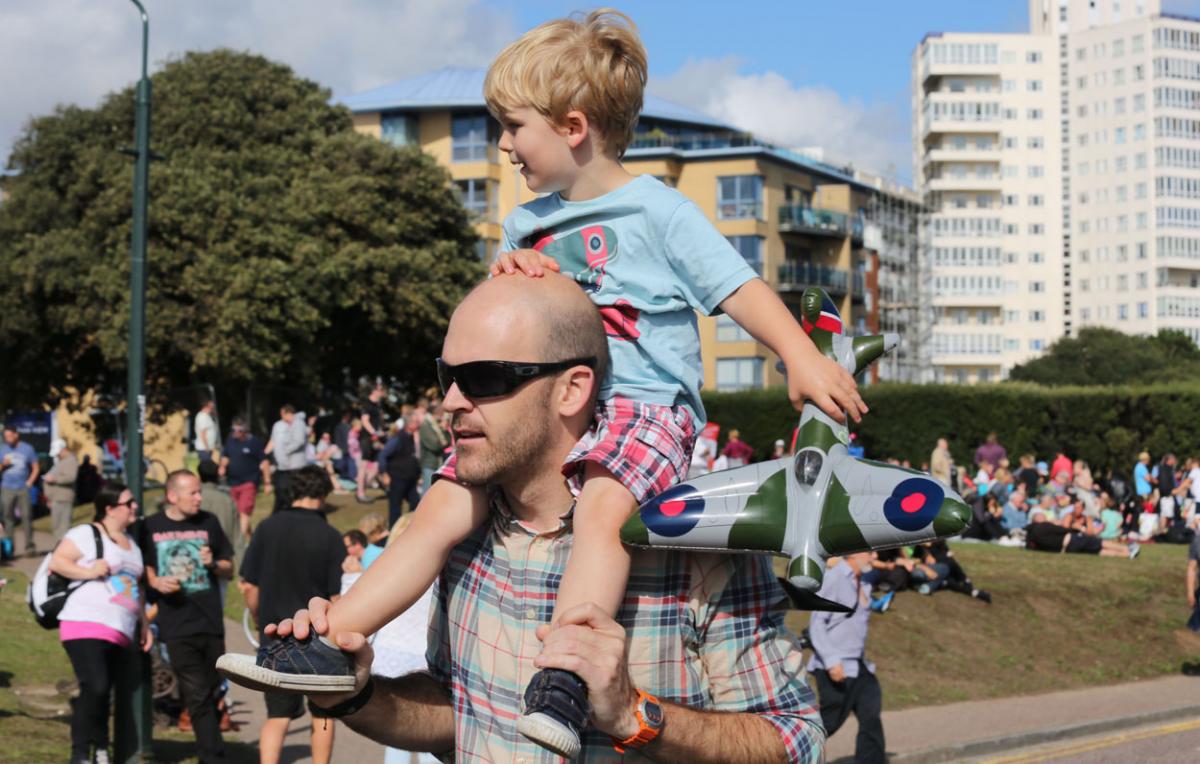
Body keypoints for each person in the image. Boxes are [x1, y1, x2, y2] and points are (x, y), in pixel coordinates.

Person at [232, 271, 826, 761]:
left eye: (484, 379)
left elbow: (795, 740)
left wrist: (633, 714)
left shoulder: (695, 545)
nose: (451, 402)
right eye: (447, 376)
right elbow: (458, 714)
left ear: (572, 390)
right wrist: (354, 697)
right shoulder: (459, 540)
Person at [240, 465, 346, 764]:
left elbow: (249, 587)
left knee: (277, 715)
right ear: (322, 494)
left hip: (275, 637)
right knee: (323, 715)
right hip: (318, 640)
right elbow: (337, 597)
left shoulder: (266, 527)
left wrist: (259, 619)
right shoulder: (330, 536)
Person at [51, 482, 152, 764]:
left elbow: (138, 588)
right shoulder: (87, 533)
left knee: (102, 692)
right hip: (85, 622)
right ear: (109, 509)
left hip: (121, 629)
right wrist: (88, 570)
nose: (134, 507)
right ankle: (80, 754)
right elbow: (58, 562)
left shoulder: (132, 545)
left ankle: (101, 748)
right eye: (128, 503)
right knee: (96, 686)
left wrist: (144, 624)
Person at [141, 470, 234, 763]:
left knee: (212, 690)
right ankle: (213, 757)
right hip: (176, 623)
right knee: (197, 696)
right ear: (172, 495)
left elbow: (229, 567)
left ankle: (211, 748)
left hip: (210, 622)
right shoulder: (150, 527)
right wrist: (155, 582)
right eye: (192, 493)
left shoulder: (209, 522)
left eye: (198, 492)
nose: (199, 498)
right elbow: (140, 565)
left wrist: (214, 563)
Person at [808, 553, 885, 764]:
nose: (875, 556)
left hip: (858, 665)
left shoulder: (863, 580)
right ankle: (790, 755)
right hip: (836, 665)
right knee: (829, 722)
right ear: (855, 553)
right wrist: (832, 661)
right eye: (870, 552)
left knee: (871, 716)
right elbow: (817, 624)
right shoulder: (835, 578)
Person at [219, 418, 270, 544]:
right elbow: (225, 456)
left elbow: (264, 462)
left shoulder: (254, 442)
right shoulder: (230, 440)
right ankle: (252, 539)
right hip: (233, 483)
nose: (236, 433)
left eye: (239, 430)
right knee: (237, 514)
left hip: (249, 482)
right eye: (234, 430)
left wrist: (267, 482)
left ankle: (238, 542)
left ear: (245, 431)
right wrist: (222, 466)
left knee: (244, 511)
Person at [198, 459, 241, 597]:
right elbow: (237, 538)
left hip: (197, 562)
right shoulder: (227, 501)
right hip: (222, 562)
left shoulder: (194, 499)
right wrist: (241, 573)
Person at [1025, 507, 1139, 558]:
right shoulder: (1044, 526)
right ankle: (1127, 550)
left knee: (1097, 552)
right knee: (1099, 543)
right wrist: (1077, 528)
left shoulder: (1031, 536)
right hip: (1073, 540)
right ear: (1038, 519)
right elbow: (1063, 530)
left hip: (1066, 550)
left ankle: (1126, 555)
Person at [0, 423, 40, 557]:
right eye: (5, 437)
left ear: (16, 435)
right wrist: (3, 465)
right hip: (7, 488)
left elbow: (35, 467)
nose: (7, 439)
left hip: (23, 488)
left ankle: (30, 547)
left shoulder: (27, 449)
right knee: (8, 518)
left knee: (27, 517)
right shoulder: (3, 449)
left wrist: (29, 482)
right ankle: (9, 549)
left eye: (9, 436)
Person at [378, 416, 423, 527]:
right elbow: (383, 455)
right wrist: (384, 473)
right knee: (395, 507)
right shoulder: (398, 438)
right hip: (397, 477)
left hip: (411, 478)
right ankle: (393, 530)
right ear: (409, 424)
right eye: (415, 422)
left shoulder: (415, 437)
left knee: (416, 503)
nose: (418, 424)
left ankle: (411, 527)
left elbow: (417, 456)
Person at [267, 405, 308, 515]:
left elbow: (299, 441)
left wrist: (285, 450)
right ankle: (282, 510)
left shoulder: (298, 424)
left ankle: (288, 510)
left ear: (287, 413)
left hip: (296, 465)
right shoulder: (284, 425)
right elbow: (275, 441)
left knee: (290, 488)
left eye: (282, 413)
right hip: (286, 465)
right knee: (282, 489)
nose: (281, 416)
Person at [43, 438, 80, 542]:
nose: (57, 456)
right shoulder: (62, 461)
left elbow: (71, 477)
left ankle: (62, 550)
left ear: (63, 449)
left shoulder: (71, 460)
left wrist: (54, 479)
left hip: (63, 498)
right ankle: (59, 549)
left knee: (63, 527)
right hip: (56, 499)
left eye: (58, 453)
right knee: (57, 526)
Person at [357, 385, 387, 503]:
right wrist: (374, 433)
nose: (382, 393)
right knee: (363, 466)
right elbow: (364, 421)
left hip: (376, 439)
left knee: (376, 466)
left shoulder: (377, 405)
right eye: (380, 390)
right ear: (374, 391)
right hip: (367, 439)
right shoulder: (367, 404)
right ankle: (360, 494)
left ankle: (363, 486)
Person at [418, 402, 451, 493]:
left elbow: (448, 442)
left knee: (434, 491)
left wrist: (444, 430)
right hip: (429, 464)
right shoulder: (426, 425)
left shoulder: (436, 426)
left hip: (438, 462)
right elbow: (434, 445)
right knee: (427, 492)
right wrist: (442, 442)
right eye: (441, 412)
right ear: (435, 412)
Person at [194, 400, 220, 464]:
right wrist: (206, 448)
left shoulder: (207, 416)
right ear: (206, 406)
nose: (213, 408)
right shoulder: (202, 417)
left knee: (208, 466)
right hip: (204, 448)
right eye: (211, 406)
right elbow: (203, 433)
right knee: (206, 467)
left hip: (208, 447)